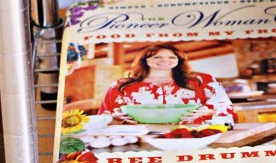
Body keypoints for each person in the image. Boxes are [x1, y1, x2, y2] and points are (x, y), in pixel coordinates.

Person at [98, 43, 235, 125]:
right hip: (140, 139)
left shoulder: (203, 81)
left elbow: (226, 107)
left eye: (171, 57)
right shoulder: (121, 86)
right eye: (157, 57)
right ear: (145, 60)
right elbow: (103, 118)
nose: (165, 61)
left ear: (179, 61)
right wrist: (114, 118)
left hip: (192, 137)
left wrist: (208, 111)